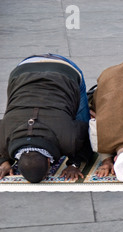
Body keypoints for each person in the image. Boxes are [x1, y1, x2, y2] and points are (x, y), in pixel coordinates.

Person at [0, 53, 92, 183]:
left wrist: (74, 164)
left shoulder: (68, 139)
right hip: (23, 69)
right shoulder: (3, 140)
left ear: (49, 161)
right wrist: (3, 161)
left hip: (66, 71)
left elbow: (88, 137)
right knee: (15, 105)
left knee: (83, 120)